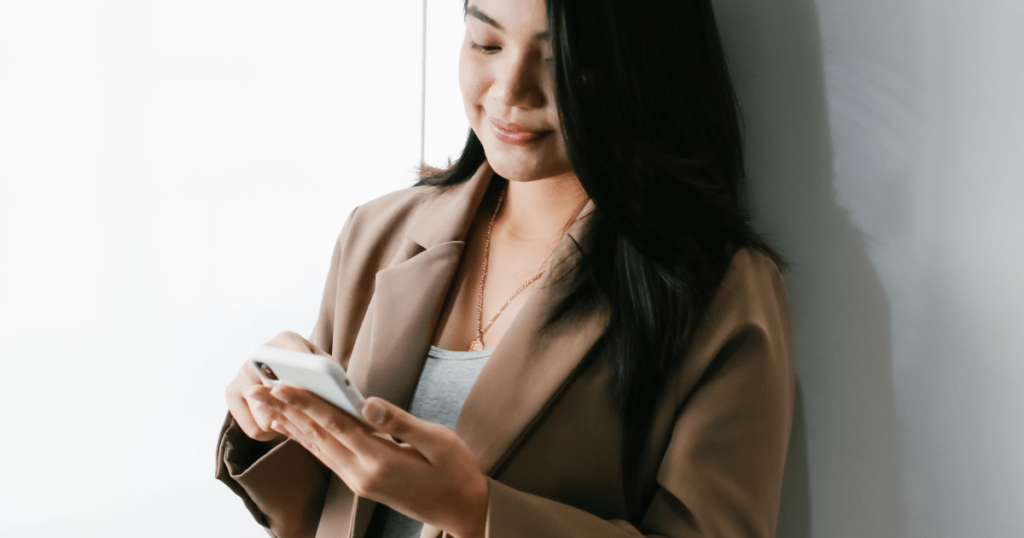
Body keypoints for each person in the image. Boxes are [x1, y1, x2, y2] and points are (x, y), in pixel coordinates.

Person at [216, 0, 794, 537]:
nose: (510, 92)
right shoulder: (379, 232)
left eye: (558, 59)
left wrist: (475, 511)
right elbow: (328, 511)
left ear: (642, 69)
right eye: (486, 44)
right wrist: (270, 419)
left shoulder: (718, 290)